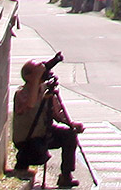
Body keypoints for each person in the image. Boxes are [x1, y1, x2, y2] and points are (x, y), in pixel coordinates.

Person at [11, 58, 84, 187]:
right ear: (28, 77)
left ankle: (66, 176)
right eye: (37, 72)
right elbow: (32, 103)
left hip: (44, 133)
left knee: (69, 135)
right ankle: (22, 162)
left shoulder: (45, 89)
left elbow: (57, 113)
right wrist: (35, 81)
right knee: (39, 154)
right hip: (28, 139)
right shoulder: (21, 93)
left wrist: (71, 124)